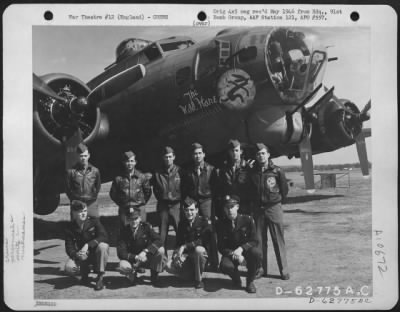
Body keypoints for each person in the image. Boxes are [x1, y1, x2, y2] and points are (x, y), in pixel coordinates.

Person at [249, 143, 289, 280]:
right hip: (258, 210)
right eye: (258, 154)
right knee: (259, 241)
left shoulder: (277, 171)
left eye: (263, 153)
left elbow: (284, 191)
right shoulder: (252, 172)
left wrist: (276, 203)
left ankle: (283, 270)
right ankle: (261, 269)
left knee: (278, 239)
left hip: (273, 208)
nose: (261, 156)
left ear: (268, 154)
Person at [183, 142, 219, 269]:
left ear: (204, 154)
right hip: (194, 203)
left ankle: (214, 261)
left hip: (206, 202)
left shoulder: (211, 169)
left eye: (199, 153)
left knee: (209, 230)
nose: (197, 156)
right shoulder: (188, 171)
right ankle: (197, 261)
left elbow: (215, 189)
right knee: (195, 230)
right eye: (195, 154)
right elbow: (186, 188)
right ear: (192, 156)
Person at [216, 195, 261, 293]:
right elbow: (221, 247)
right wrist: (234, 254)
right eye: (226, 207)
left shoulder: (248, 220)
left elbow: (254, 240)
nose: (229, 210)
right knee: (225, 266)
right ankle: (236, 279)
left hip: (246, 251)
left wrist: (241, 249)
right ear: (224, 209)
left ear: (237, 207)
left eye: (232, 207)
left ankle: (250, 282)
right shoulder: (221, 224)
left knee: (256, 253)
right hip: (231, 253)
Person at [166, 197, 212, 289]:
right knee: (168, 266)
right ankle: (190, 275)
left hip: (201, 255)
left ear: (197, 210)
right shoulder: (182, 224)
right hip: (188, 256)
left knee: (199, 250)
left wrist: (185, 246)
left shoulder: (204, 222)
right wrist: (175, 255)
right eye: (186, 210)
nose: (189, 213)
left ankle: (198, 280)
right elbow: (178, 243)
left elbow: (203, 241)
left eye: (192, 210)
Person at [64, 200, 109, 291]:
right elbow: (69, 246)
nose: (83, 214)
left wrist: (88, 245)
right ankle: (84, 275)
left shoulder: (94, 221)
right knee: (69, 268)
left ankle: (100, 277)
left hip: (95, 252)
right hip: (82, 255)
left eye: (85, 211)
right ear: (74, 213)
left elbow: (104, 236)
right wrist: (76, 255)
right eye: (80, 212)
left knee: (103, 246)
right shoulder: (70, 227)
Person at [116, 208, 166, 286]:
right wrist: (135, 257)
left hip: (146, 258)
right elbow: (121, 252)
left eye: (136, 218)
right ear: (127, 220)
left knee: (161, 250)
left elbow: (159, 240)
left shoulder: (146, 227)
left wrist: (146, 251)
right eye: (131, 219)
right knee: (122, 265)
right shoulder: (123, 231)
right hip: (133, 260)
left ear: (140, 218)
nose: (133, 221)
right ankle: (132, 274)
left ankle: (154, 275)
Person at [151, 146, 184, 250]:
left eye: (170, 156)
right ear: (163, 158)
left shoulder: (180, 171)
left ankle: (179, 260)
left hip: (176, 206)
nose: (168, 159)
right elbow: (154, 189)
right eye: (166, 157)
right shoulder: (157, 173)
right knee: (162, 235)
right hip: (163, 206)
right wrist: (162, 198)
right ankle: (163, 260)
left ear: (174, 157)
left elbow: (185, 187)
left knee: (180, 233)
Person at [110, 150, 152, 226]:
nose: (130, 163)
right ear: (124, 162)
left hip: (139, 208)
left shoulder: (142, 177)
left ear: (135, 162)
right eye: (127, 161)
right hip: (124, 208)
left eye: (132, 161)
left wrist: (141, 203)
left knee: (141, 231)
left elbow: (148, 192)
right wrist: (122, 203)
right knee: (125, 232)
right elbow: (113, 194)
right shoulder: (118, 178)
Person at [217, 139, 252, 218]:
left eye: (237, 150)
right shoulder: (224, 169)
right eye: (232, 151)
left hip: (244, 204)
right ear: (229, 152)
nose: (234, 153)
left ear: (241, 151)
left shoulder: (247, 167)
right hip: (230, 204)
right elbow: (221, 187)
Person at [65, 143, 101, 218]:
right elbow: (68, 189)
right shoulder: (71, 172)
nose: (83, 158)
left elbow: (97, 187)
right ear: (77, 156)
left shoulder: (95, 171)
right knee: (77, 227)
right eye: (81, 156)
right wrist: (74, 200)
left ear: (89, 156)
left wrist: (92, 197)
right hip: (77, 204)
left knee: (92, 226)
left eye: (85, 156)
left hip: (91, 203)